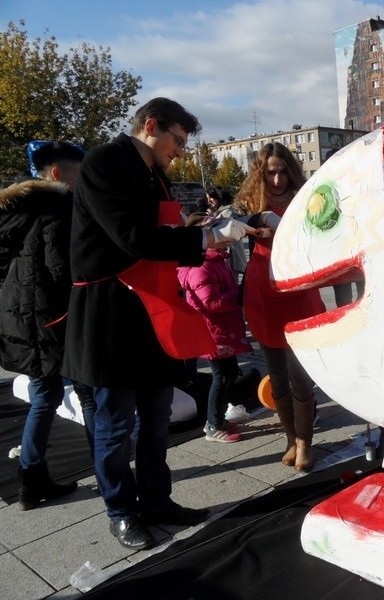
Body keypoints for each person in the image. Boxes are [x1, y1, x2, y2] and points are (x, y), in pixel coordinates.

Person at [61, 97, 249, 550]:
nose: (181, 151)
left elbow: (165, 232)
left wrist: (226, 224)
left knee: (157, 416)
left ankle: (158, 500)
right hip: (112, 313)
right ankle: (121, 511)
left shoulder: (155, 174)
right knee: (114, 424)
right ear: (151, 125)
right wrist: (207, 236)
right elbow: (132, 237)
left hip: (153, 310)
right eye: (178, 140)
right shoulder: (106, 163)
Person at [0, 141, 93, 510]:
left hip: (23, 319)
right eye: (79, 174)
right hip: (53, 321)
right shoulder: (57, 207)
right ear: (57, 173)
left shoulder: (18, 210)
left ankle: (31, 480)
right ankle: (109, 470)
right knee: (88, 393)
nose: (82, 182)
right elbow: (62, 269)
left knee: (44, 397)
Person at [234, 142, 325, 472]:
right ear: (261, 173)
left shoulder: (306, 198)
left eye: (282, 171)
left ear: (290, 169)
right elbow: (231, 225)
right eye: (270, 172)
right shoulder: (249, 203)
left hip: (297, 291)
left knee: (300, 377)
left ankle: (305, 442)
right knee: (276, 377)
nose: (276, 180)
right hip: (262, 292)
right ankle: (291, 438)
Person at [177, 216, 252, 443]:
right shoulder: (202, 266)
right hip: (214, 332)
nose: (228, 239)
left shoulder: (216, 260)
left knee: (228, 374)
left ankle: (217, 418)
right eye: (221, 235)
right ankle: (212, 424)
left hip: (222, 330)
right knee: (221, 377)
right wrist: (241, 294)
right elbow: (211, 302)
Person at [205, 185, 246, 276]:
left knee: (230, 285)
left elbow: (220, 230)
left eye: (211, 198)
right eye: (207, 198)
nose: (208, 201)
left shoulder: (228, 212)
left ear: (219, 197)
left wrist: (211, 219)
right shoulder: (220, 212)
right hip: (224, 254)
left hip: (229, 255)